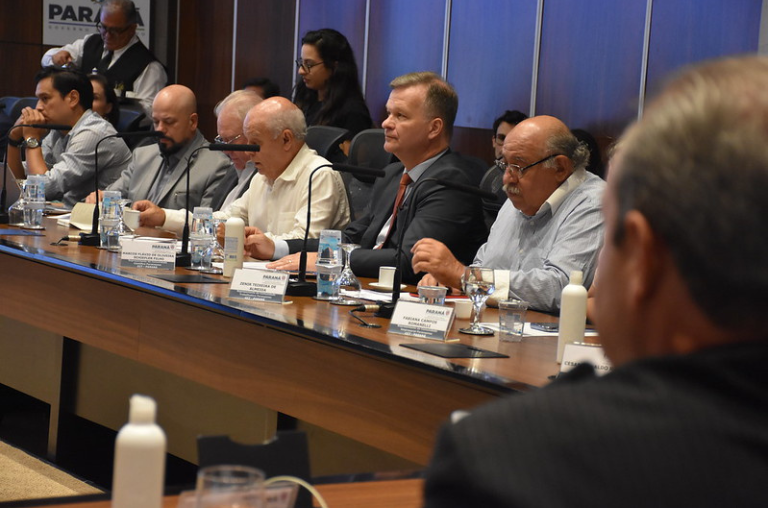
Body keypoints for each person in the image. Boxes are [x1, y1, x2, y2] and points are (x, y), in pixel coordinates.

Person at [422, 55, 768, 508]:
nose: (507, 178)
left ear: (644, 258)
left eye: (614, 236)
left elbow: (554, 287)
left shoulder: (501, 461)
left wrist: (464, 275)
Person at [265, 72, 486, 283]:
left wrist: (331, 259)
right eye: (388, 113)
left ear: (434, 128)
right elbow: (352, 239)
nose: (385, 123)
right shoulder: (392, 174)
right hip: (368, 288)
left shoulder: (450, 183)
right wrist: (276, 247)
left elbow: (408, 260)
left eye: (400, 116)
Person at [412, 115, 605, 312]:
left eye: (519, 167)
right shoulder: (519, 197)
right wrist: (450, 279)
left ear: (560, 168)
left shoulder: (594, 203)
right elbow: (484, 265)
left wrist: (464, 276)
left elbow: (559, 289)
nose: (506, 178)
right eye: (504, 165)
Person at [209, 96, 350, 260]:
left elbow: (307, 241)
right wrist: (184, 221)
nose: (248, 152)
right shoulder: (261, 177)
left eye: (255, 143)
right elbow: (228, 218)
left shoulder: (319, 175)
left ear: (286, 139)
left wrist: (250, 240)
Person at [133, 90, 263, 233]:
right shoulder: (235, 171)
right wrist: (164, 217)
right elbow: (216, 220)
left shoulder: (262, 176)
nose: (225, 150)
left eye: (230, 140)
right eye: (221, 140)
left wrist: (164, 217)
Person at [87, 85, 230, 211]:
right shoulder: (143, 155)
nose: (160, 129)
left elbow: (205, 226)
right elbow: (112, 197)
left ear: (192, 122)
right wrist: (100, 198)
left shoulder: (217, 165)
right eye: (156, 122)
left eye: (169, 122)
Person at [7, 67, 131, 207]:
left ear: (73, 98)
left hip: (99, 222)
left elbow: (42, 190)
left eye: (45, 98)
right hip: (67, 217)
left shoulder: (94, 133)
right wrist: (14, 139)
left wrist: (31, 139)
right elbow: (19, 184)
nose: (38, 107)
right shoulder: (58, 130)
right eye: (38, 99)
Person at [41, 0, 167, 117]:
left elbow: (147, 114)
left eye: (115, 30)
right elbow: (46, 60)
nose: (107, 35)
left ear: (132, 29)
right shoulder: (89, 43)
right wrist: (56, 58)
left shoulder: (149, 67)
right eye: (103, 27)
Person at [292, 28, 373, 155]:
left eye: (309, 65)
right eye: (301, 63)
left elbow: (351, 166)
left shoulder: (353, 111)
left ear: (334, 66)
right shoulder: (305, 99)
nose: (301, 71)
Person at [479, 109, 528, 228]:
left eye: (513, 140)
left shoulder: (529, 181)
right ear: (494, 141)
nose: (506, 147)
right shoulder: (487, 176)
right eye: (502, 138)